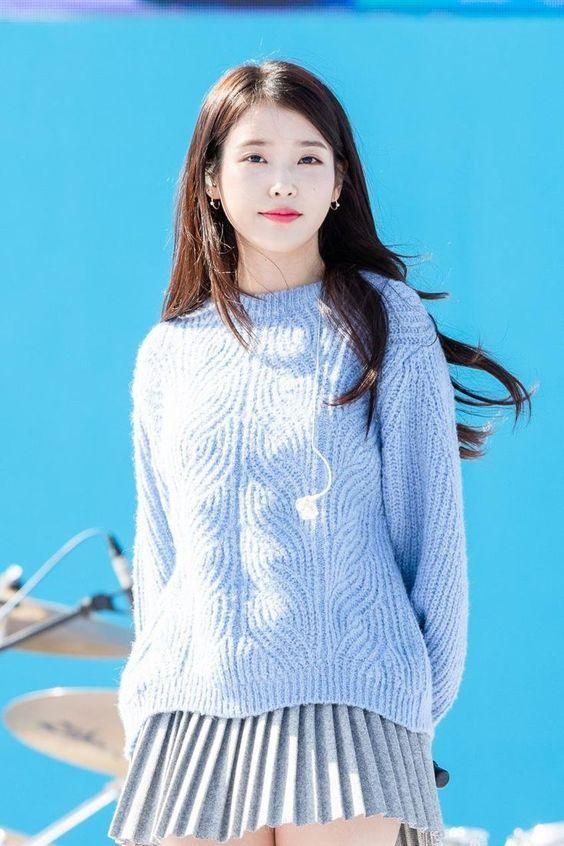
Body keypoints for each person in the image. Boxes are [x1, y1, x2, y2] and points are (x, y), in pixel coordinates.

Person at [108, 59, 532, 846]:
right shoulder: (169, 352)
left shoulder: (382, 320)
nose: (283, 182)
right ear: (210, 180)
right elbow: (162, 555)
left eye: (309, 158)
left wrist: (412, 708)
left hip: (350, 704)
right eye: (255, 156)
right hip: (190, 714)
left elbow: (431, 537)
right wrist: (146, 706)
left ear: (339, 183)